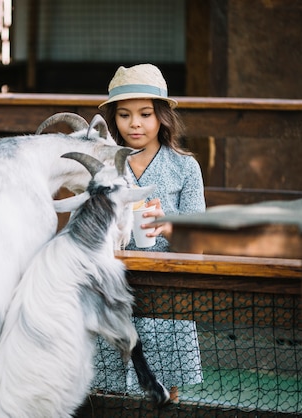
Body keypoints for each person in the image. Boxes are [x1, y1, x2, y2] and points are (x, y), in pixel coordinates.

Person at [91, 63, 205, 401]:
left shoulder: (185, 167)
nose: (135, 123)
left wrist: (168, 222)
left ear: (162, 117)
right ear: (114, 119)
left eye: (144, 113)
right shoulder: (105, 165)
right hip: (113, 284)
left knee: (167, 394)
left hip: (168, 289)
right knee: (104, 391)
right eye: (124, 115)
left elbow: (198, 241)